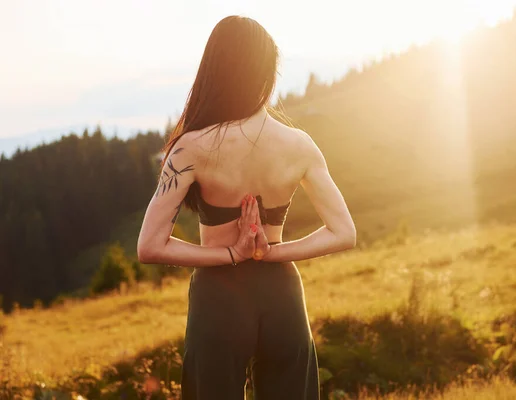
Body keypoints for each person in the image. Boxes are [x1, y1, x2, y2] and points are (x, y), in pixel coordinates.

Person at [137, 15, 356, 400]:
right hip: (283, 295)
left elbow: (150, 246)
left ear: (215, 68)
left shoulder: (191, 147)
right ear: (267, 72)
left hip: (219, 298)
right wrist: (271, 253)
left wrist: (232, 254)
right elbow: (343, 233)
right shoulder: (300, 144)